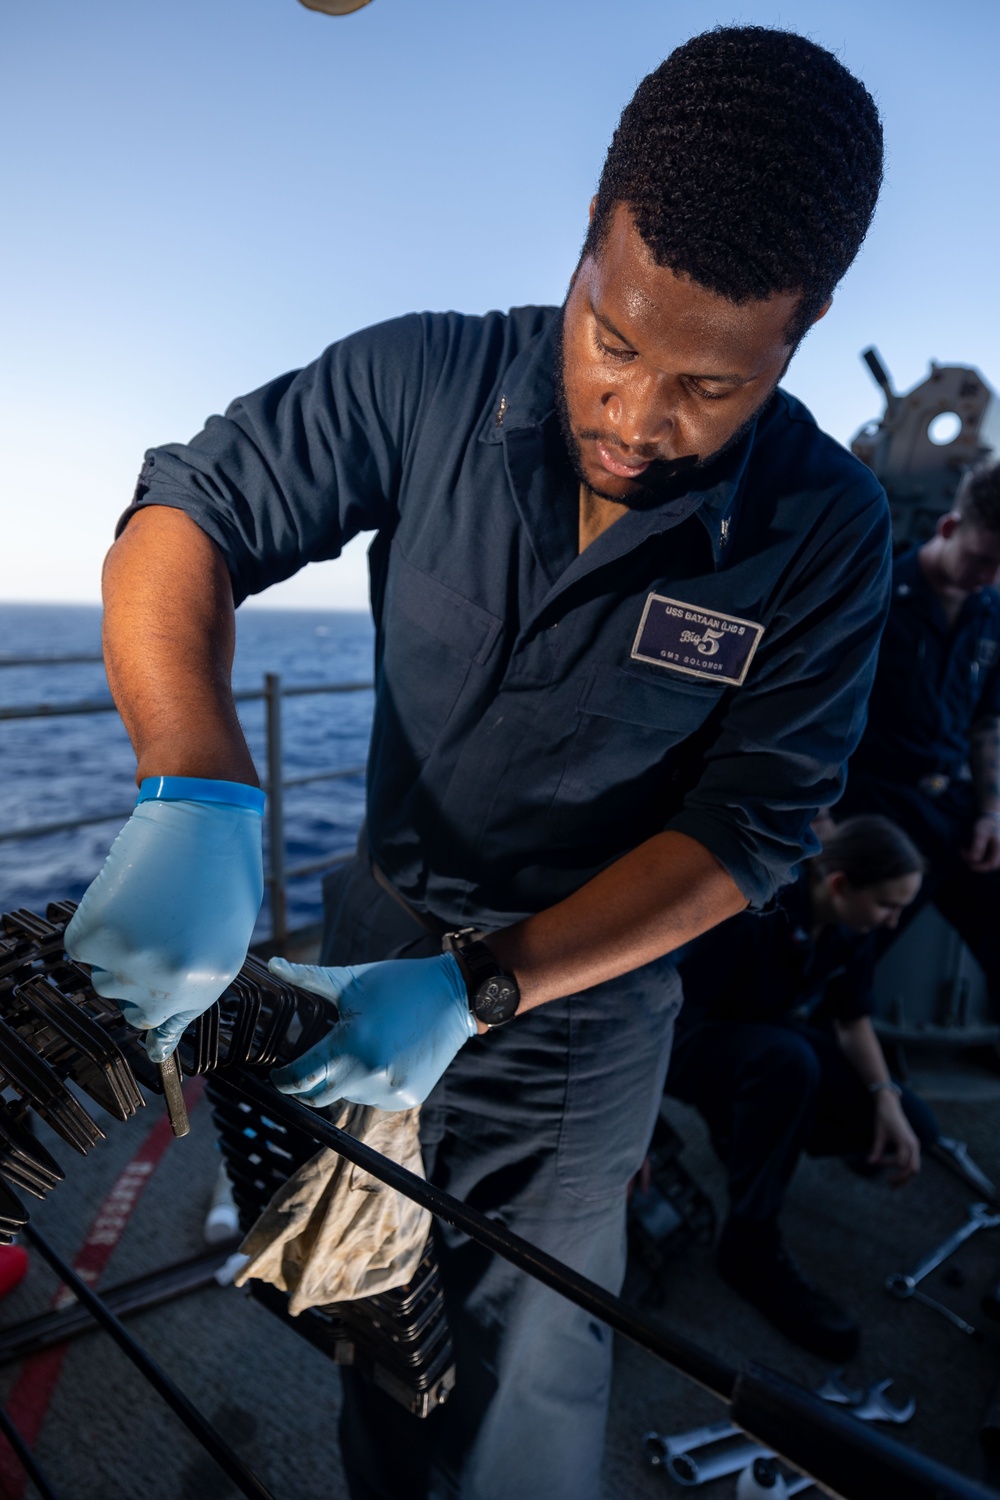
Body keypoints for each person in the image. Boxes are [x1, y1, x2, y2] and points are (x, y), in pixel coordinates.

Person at [64, 28, 888, 1500]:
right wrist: (194, 780)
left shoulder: (827, 533)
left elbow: (754, 823)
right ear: (588, 238)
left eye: (707, 387)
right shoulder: (424, 374)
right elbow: (188, 513)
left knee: (526, 1385)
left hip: (579, 1022)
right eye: (616, 344)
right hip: (361, 938)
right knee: (364, 1313)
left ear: (803, 330)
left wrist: (486, 982)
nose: (638, 421)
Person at [667, 816, 937, 1361]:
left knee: (915, 1124)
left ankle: (751, 1135)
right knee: (789, 1064)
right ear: (840, 886)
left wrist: (887, 1099)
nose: (894, 922)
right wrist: (639, 1137)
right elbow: (673, 1012)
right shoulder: (757, 915)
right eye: (888, 906)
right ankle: (749, 1242)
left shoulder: (848, 927)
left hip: (769, 1036)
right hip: (689, 1044)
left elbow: (852, 1016)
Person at [838, 460, 1000, 1007]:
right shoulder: (876, 591)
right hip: (876, 801)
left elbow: (987, 722)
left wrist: (992, 813)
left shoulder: (991, 613)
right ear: (950, 527)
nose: (989, 578)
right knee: (846, 962)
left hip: (948, 804)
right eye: (983, 559)